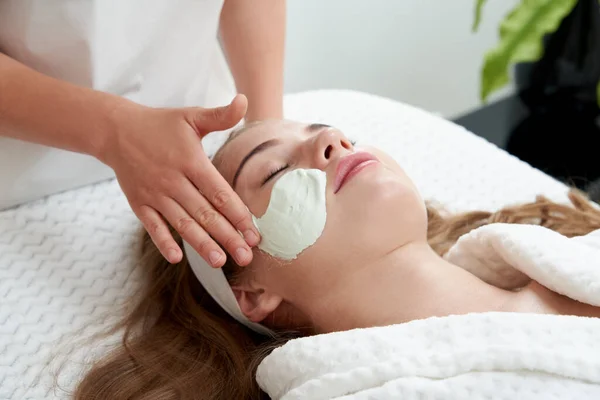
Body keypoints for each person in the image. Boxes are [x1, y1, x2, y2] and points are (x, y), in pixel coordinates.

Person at [72, 119, 600, 399]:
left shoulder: (573, 259)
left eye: (324, 128)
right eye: (274, 170)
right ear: (252, 293)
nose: (333, 138)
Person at [0, 0, 285, 268]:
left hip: (201, 123)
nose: (329, 140)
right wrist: (113, 132)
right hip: (29, 165)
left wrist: (267, 135)